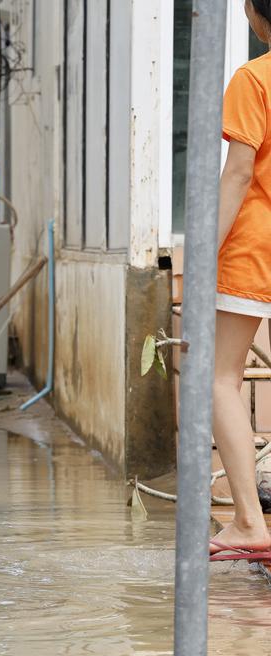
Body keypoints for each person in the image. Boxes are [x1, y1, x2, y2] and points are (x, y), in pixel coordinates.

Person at [209, 0, 271, 560]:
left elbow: (239, 171)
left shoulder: (254, 77)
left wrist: (205, 249)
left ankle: (250, 522)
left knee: (219, 376)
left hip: (256, 247)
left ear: (256, 16)